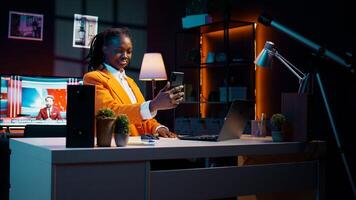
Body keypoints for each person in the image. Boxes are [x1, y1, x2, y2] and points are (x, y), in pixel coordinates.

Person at [83, 27, 184, 137]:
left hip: (137, 148)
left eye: (129, 51)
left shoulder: (130, 82)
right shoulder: (93, 78)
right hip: (114, 147)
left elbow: (141, 117)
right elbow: (111, 113)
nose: (125, 56)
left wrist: (158, 128)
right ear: (104, 49)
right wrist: (153, 105)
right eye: (119, 51)